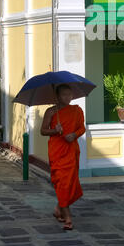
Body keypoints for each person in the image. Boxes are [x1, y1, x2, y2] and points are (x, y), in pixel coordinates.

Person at [40, 83, 86, 230]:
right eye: (64, 94)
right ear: (58, 96)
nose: (68, 97)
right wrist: (55, 130)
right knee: (62, 183)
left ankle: (59, 209)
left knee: (70, 183)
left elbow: (82, 128)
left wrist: (74, 134)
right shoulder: (51, 112)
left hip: (71, 150)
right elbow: (43, 131)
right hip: (57, 151)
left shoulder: (76, 110)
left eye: (70, 94)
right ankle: (68, 218)